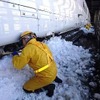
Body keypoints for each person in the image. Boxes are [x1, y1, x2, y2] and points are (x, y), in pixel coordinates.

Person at [12, 31, 62, 97]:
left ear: (26, 39)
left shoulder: (28, 49)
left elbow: (18, 65)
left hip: (46, 77)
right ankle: (54, 78)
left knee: (26, 88)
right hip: (54, 70)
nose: (22, 43)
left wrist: (15, 56)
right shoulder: (41, 44)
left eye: (22, 40)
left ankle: (49, 86)